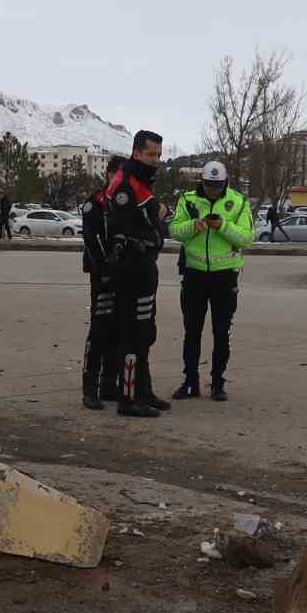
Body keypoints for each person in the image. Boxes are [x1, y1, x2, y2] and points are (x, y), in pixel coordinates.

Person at [169, 161, 255, 401]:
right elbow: (174, 230)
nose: (212, 191)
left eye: (217, 187)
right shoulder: (187, 200)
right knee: (192, 331)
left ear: (224, 182)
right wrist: (192, 226)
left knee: (221, 331)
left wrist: (222, 226)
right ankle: (190, 382)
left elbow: (247, 237)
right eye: (208, 186)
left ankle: (218, 383)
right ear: (202, 182)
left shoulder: (238, 202)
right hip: (194, 275)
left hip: (225, 276)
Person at [106, 130, 171, 418]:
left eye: (158, 154)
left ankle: (143, 391)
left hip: (145, 268)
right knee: (132, 335)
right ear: (136, 153)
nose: (155, 160)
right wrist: (149, 236)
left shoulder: (142, 181)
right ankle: (128, 398)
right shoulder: (126, 183)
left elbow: (147, 219)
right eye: (150, 154)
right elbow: (121, 228)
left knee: (146, 333)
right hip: (131, 270)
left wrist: (157, 222)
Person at [79, 156, 123, 409]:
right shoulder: (95, 203)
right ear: (108, 175)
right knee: (99, 329)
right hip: (102, 274)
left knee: (117, 330)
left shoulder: (123, 203)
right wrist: (104, 268)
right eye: (116, 176)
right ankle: (89, 387)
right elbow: (91, 239)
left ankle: (109, 383)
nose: (119, 181)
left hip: (122, 274)